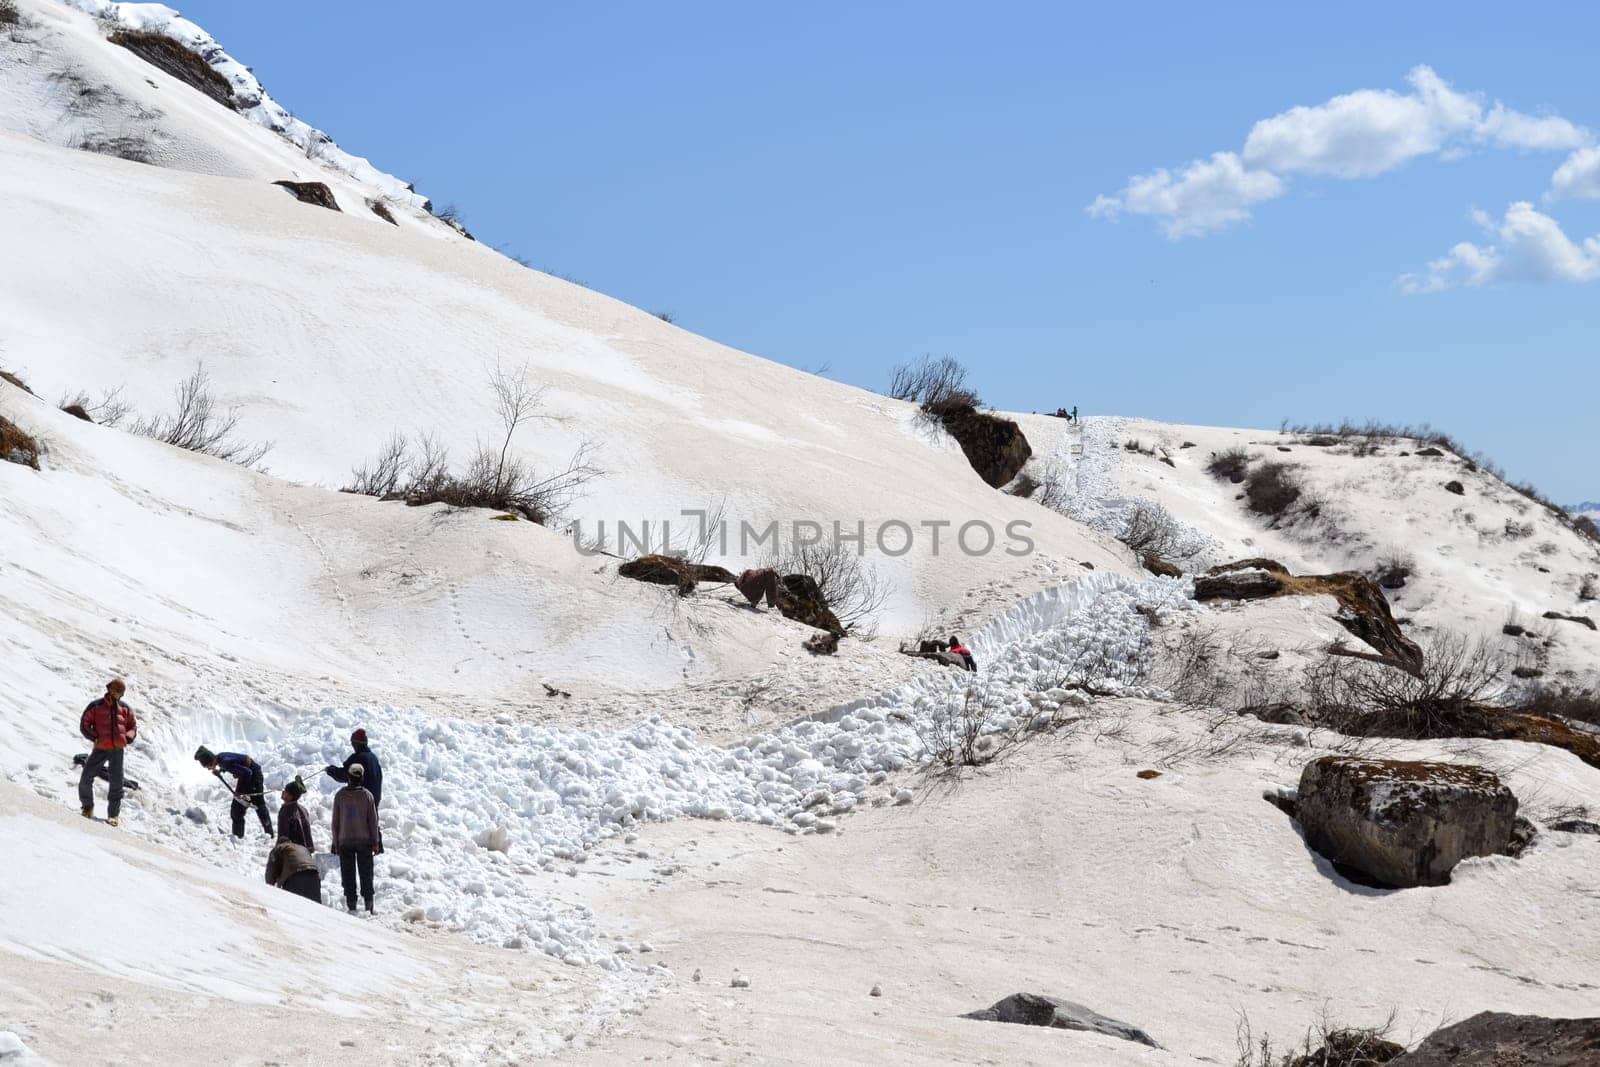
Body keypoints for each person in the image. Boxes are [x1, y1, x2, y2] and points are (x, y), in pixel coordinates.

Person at [78, 678, 136, 825]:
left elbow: (132, 727)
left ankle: (113, 815)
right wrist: (94, 737)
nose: (120, 695)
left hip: (117, 750)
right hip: (101, 748)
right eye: (118, 692)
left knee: (116, 783)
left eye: (121, 693)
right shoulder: (96, 706)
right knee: (86, 777)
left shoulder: (125, 709)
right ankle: (87, 807)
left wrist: (127, 738)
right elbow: (85, 723)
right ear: (111, 690)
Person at [331, 763, 380, 913]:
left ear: (348, 777)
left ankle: (351, 904)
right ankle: (368, 904)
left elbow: (335, 821)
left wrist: (336, 841)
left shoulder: (340, 795)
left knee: (348, 873)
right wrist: (375, 841)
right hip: (364, 841)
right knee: (366, 873)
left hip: (345, 840)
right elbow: (373, 821)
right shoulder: (367, 795)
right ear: (362, 778)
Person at [194, 746, 274, 839]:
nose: (208, 769)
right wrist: (221, 771)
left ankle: (269, 835)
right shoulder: (221, 757)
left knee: (258, 804)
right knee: (236, 810)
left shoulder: (224, 762)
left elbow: (247, 772)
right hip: (249, 775)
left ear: (210, 761)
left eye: (207, 766)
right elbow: (235, 764)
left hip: (254, 777)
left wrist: (240, 791)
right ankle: (237, 837)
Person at [325, 728, 383, 807]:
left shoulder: (358, 758)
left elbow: (345, 775)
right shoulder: (373, 758)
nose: (352, 745)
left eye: (352, 742)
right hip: (373, 801)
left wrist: (331, 770)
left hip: (361, 802)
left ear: (357, 743)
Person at [265, 839, 321, 903]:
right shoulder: (302, 848)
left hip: (295, 876)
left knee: (294, 906)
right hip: (314, 876)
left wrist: (269, 888)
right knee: (315, 908)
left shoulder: (278, 848)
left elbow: (271, 871)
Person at [277, 776, 315, 851]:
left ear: (290, 796)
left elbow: (283, 835)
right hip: (304, 851)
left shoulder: (285, 811)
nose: (283, 792)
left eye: (285, 791)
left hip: (293, 852)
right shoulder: (303, 809)